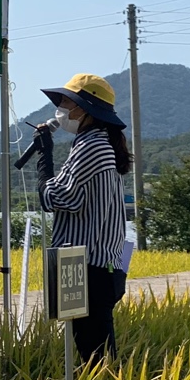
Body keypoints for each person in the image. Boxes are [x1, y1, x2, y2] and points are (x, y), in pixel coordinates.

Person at [34, 73, 132, 363]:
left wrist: (44, 161)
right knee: (97, 346)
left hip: (86, 263)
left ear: (84, 109)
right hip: (110, 261)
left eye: (67, 101)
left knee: (95, 354)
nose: (62, 108)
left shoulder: (91, 146)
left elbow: (60, 198)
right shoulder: (102, 143)